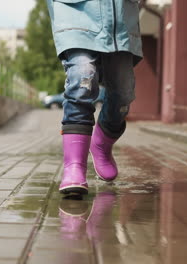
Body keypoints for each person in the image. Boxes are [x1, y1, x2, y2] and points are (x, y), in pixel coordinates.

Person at [46, 0, 143, 195]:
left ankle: (100, 145)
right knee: (82, 77)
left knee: (123, 94)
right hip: (75, 13)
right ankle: (74, 167)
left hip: (121, 19)